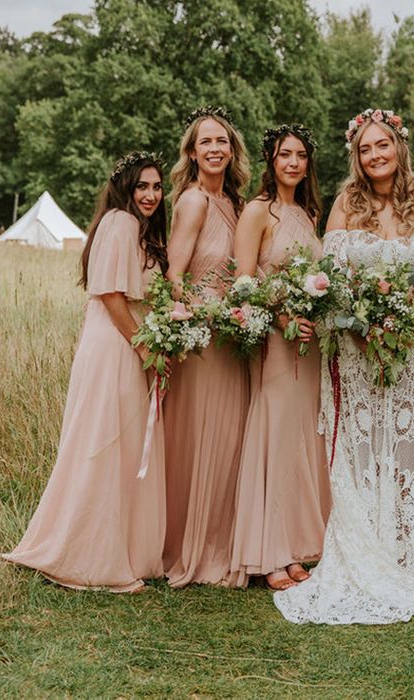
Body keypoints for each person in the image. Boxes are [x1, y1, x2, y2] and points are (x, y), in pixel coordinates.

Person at [273, 108, 414, 625]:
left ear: (399, 148)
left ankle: (410, 549)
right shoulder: (343, 205)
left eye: (382, 145)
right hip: (356, 350)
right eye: (365, 148)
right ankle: (363, 541)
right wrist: (361, 322)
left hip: (413, 349)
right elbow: (329, 274)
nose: (374, 155)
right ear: (356, 157)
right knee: (363, 444)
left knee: (408, 442)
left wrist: (401, 321)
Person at [3, 152, 168, 592]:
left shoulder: (128, 226)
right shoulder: (122, 223)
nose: (151, 195)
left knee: (114, 442)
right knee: (106, 443)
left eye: (156, 187)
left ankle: (114, 547)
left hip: (113, 342)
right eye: (143, 187)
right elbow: (113, 296)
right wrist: (146, 348)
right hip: (116, 345)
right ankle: (90, 556)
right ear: (124, 189)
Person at [229, 124, 331, 590]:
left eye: (301, 155)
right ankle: (268, 551)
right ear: (271, 160)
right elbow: (244, 281)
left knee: (297, 441)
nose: (294, 162)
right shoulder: (257, 211)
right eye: (285, 154)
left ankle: (293, 548)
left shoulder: (309, 214)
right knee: (273, 433)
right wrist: (284, 317)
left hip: (307, 345)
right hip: (275, 340)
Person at [162, 106, 251, 587]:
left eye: (223, 142)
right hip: (202, 340)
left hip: (234, 338)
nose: (215, 149)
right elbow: (174, 276)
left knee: (231, 438)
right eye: (206, 143)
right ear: (192, 153)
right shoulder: (194, 202)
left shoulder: (235, 204)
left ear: (232, 150)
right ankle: (189, 548)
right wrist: (207, 312)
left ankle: (222, 542)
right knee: (200, 439)